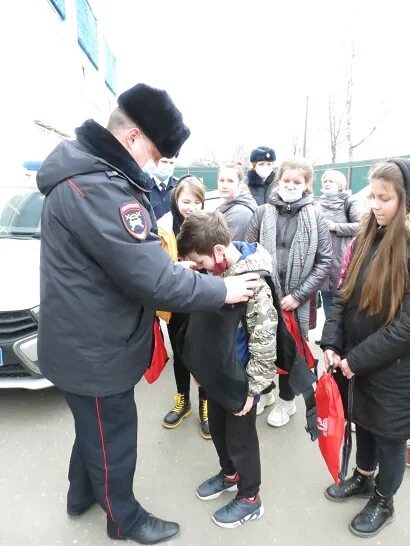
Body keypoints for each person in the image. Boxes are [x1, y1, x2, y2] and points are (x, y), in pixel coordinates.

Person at [36, 83, 259, 545]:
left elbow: (129, 262)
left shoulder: (88, 176)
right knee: (113, 436)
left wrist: (160, 267)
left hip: (80, 342)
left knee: (90, 427)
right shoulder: (99, 189)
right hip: (96, 351)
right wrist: (222, 288)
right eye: (155, 154)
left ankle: (81, 494)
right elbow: (154, 281)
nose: (154, 166)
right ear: (134, 138)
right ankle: (125, 520)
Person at [321, 159, 410, 538]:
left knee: (389, 436)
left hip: (392, 369)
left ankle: (384, 499)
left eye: (385, 198)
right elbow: (341, 295)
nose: (375, 205)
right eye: (372, 196)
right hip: (354, 360)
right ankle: (362, 475)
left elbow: (406, 326)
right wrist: (331, 342)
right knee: (364, 424)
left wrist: (356, 359)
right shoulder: (362, 238)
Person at [177, 210, 277, 528]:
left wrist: (253, 389)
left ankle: (250, 497)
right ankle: (229, 474)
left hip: (240, 381)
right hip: (215, 375)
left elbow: (264, 342)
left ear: (219, 252)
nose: (201, 269)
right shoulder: (216, 272)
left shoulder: (252, 283)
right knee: (218, 430)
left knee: (241, 441)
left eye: (201, 263)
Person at [246, 158, 333, 424]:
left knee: (289, 351)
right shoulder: (262, 212)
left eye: (298, 182)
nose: (291, 185)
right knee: (260, 347)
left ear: (307, 185)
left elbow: (324, 260)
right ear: (278, 180)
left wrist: (299, 295)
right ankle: (267, 392)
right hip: (265, 297)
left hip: (296, 302)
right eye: (286, 180)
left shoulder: (315, 215)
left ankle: (287, 402)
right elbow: (248, 249)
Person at [158, 175, 211, 439]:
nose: (191, 207)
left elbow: (218, 261)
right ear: (176, 199)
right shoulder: (164, 227)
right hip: (175, 302)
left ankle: (205, 404)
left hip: (201, 300)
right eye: (186, 200)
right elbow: (155, 265)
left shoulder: (209, 224)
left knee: (201, 354)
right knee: (180, 354)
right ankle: (183, 400)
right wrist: (175, 268)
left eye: (197, 202)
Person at [318, 169, 361, 317]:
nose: (328, 184)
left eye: (331, 181)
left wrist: (336, 227)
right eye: (325, 181)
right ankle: (329, 332)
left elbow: (362, 226)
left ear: (340, 184)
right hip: (323, 259)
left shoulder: (349, 202)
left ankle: (338, 334)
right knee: (326, 297)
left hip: (341, 258)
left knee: (341, 297)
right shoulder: (319, 203)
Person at [217, 163, 257, 239]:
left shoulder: (240, 213)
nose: (224, 185)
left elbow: (233, 248)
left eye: (230, 181)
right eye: (221, 180)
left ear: (240, 183)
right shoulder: (227, 204)